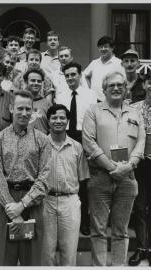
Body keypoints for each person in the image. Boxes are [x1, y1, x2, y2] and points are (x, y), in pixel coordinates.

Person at [82, 71, 146, 266]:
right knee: (99, 229)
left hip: (128, 178)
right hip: (100, 176)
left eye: (120, 85)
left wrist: (128, 166)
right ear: (104, 90)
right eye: (112, 86)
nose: (116, 88)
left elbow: (141, 142)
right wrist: (112, 167)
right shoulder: (93, 111)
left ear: (126, 89)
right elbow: (89, 142)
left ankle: (118, 266)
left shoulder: (135, 113)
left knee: (121, 230)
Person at [0, 90, 52, 266]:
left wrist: (23, 205)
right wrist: (12, 208)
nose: (24, 113)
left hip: (33, 202)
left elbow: (45, 176)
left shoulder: (42, 140)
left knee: (32, 259)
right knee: (4, 259)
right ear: (11, 108)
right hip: (5, 203)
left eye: (28, 109)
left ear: (33, 111)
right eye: (20, 108)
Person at [41, 104, 90, 266]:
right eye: (54, 117)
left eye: (62, 117)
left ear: (68, 121)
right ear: (48, 120)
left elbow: (83, 178)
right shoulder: (40, 145)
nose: (58, 121)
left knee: (69, 251)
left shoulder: (77, 147)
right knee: (46, 252)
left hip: (69, 202)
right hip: (45, 201)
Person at [56, 62, 97, 236]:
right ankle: (65, 220)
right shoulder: (61, 96)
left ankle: (85, 222)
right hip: (66, 136)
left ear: (80, 75)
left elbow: (94, 118)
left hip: (85, 136)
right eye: (67, 76)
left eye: (73, 74)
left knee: (83, 180)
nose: (70, 78)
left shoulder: (91, 94)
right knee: (66, 177)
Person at [128, 73, 151, 266]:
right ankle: (141, 247)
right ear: (144, 84)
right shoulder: (134, 108)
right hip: (141, 163)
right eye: (150, 82)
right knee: (140, 207)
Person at [84, 36, 125, 102]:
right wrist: (89, 90)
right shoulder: (94, 63)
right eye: (100, 47)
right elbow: (85, 76)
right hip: (94, 101)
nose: (103, 49)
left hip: (111, 101)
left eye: (106, 46)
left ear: (112, 48)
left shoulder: (119, 63)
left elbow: (124, 82)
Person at [23, 67, 52, 134]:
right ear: (26, 82)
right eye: (33, 80)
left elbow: (52, 127)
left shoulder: (47, 103)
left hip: (42, 142)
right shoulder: (19, 102)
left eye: (39, 81)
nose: (36, 83)